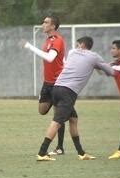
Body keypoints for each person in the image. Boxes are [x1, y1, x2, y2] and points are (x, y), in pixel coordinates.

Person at [36, 36, 113, 161]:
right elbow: (110, 72)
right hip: (68, 92)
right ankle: (42, 152)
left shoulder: (72, 52)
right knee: (56, 122)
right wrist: (112, 66)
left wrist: (99, 66)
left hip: (56, 88)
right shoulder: (94, 57)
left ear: (82, 45)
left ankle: (81, 153)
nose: (76, 47)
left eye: (78, 45)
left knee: (73, 119)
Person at [22, 15, 71, 155]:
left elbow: (50, 58)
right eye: (43, 22)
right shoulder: (48, 40)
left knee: (58, 115)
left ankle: (60, 147)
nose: (43, 24)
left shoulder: (57, 40)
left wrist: (29, 47)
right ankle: (61, 111)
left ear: (53, 26)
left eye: (46, 22)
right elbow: (60, 58)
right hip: (47, 83)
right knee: (42, 110)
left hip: (58, 83)